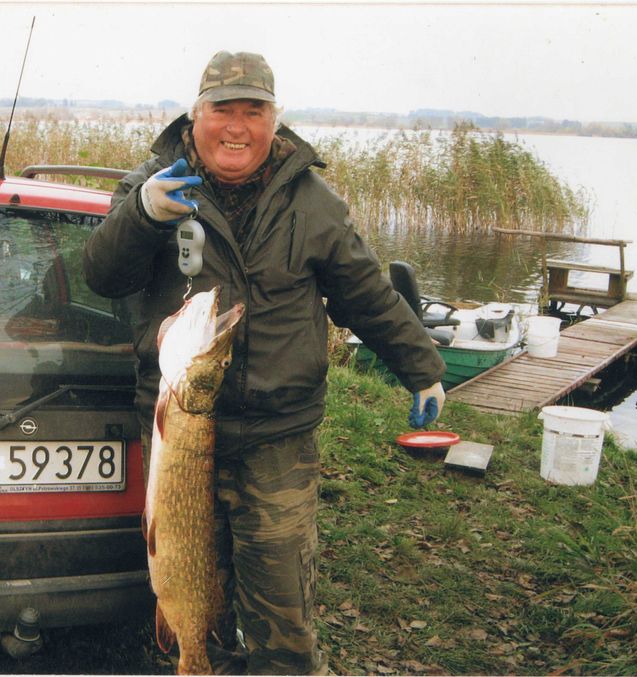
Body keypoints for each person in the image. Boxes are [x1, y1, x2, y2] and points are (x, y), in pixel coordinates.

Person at [83, 51, 446, 675]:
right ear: (195, 115)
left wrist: (423, 366)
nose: (237, 127)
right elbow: (103, 275)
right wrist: (141, 215)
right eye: (223, 110)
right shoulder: (153, 182)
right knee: (196, 595)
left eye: (253, 111)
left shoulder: (313, 201)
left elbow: (365, 292)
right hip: (183, 425)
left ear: (274, 121)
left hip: (277, 437)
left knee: (283, 611)